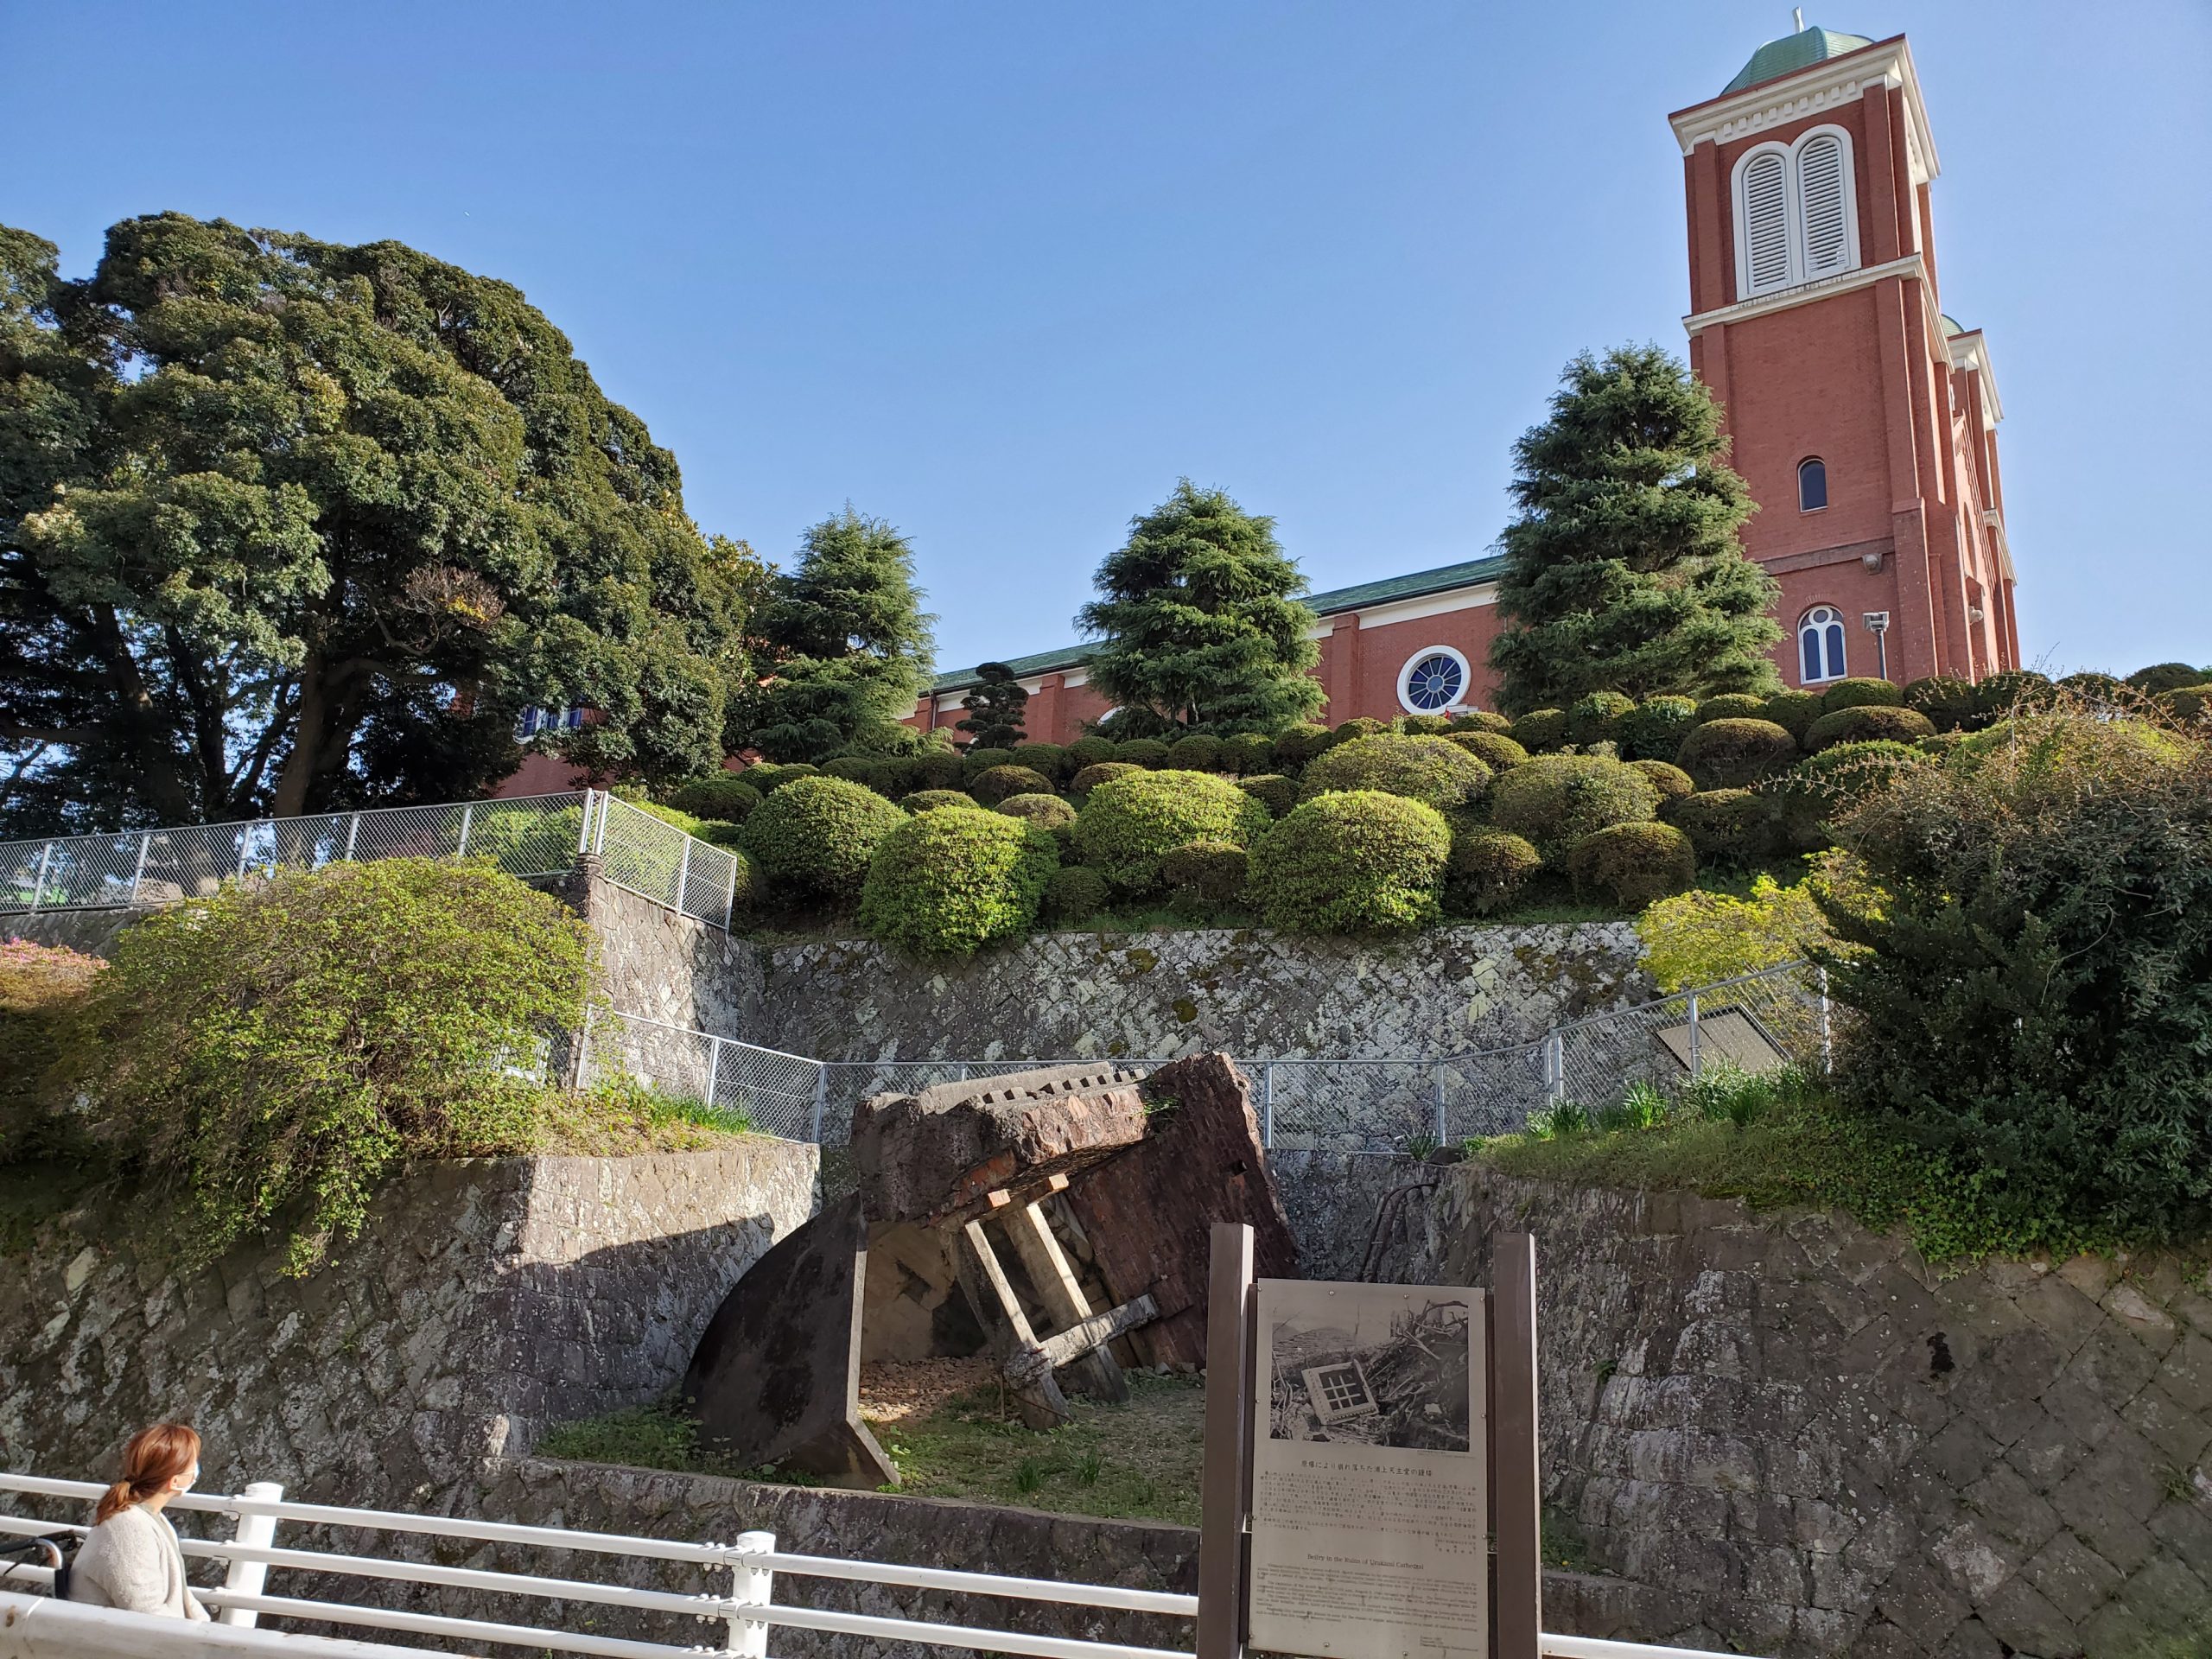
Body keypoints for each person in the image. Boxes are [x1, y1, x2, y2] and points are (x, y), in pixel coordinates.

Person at [68, 1423, 210, 1619]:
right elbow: (145, 1611)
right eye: (193, 1463)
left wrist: (206, 1628)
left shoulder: (149, 1518)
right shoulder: (128, 1528)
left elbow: (181, 1596)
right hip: (112, 1642)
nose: (197, 1469)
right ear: (175, 1481)